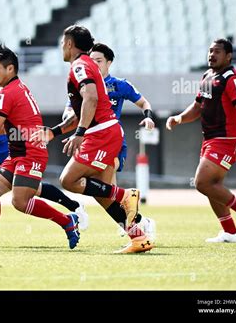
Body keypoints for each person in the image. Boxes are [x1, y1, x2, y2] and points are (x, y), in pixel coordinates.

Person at [31, 25, 154, 254]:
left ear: (69, 43)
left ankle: (127, 195)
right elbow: (82, 108)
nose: (61, 47)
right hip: (105, 132)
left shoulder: (79, 65)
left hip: (102, 135)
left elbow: (91, 99)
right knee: (101, 194)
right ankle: (139, 237)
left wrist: (79, 133)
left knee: (68, 180)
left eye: (62, 43)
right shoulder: (87, 65)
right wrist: (55, 132)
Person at [0, 46, 88, 242]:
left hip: (30, 152)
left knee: (20, 201)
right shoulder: (15, 88)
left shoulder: (5, 93)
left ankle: (67, 221)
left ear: (10, 69)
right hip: (17, 151)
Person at [166, 38, 236, 242]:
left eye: (217, 51)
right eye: (210, 51)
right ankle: (230, 232)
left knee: (202, 182)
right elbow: (198, 106)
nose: (211, 55)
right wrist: (179, 118)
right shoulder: (208, 75)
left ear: (228, 56)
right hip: (209, 138)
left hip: (227, 140)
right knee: (213, 185)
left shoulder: (232, 79)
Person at [63, 43, 156, 240]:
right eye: (92, 60)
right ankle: (140, 224)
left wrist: (148, 116)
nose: (95, 64)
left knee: (104, 187)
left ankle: (131, 217)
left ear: (109, 63)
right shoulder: (84, 84)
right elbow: (71, 112)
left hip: (110, 140)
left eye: (99, 61)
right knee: (104, 195)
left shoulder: (119, 85)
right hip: (92, 140)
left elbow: (144, 102)